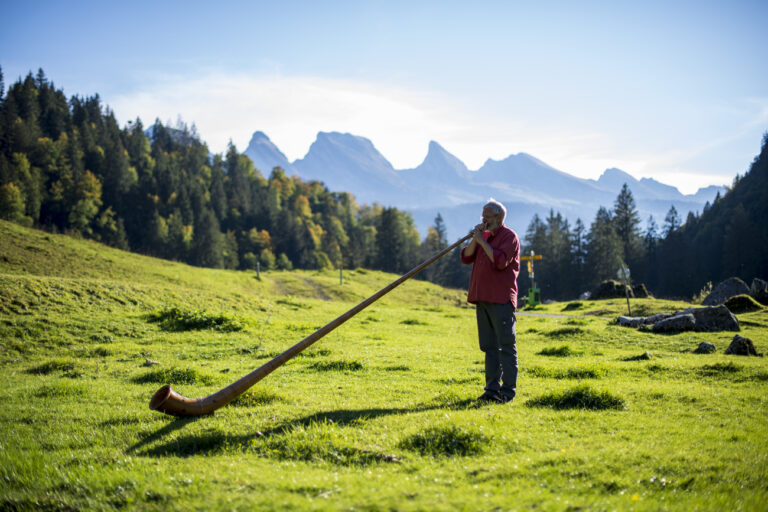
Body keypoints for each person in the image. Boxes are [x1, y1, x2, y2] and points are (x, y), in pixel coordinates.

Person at [460, 198, 521, 404]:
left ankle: (508, 392)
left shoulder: (509, 237)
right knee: (489, 347)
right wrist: (476, 239)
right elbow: (466, 257)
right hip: (482, 297)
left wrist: (483, 241)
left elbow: (500, 262)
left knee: (505, 345)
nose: (483, 220)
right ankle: (491, 389)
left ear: (498, 217)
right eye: (482, 216)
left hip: (501, 299)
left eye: (487, 216)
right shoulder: (483, 236)